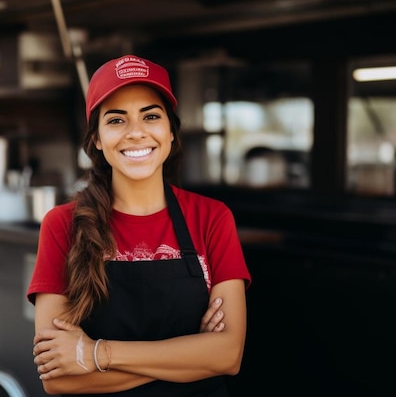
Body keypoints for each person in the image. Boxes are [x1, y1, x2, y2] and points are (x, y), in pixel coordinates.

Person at [27, 54, 252, 396]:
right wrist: (191, 358)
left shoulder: (211, 218)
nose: (136, 132)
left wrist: (96, 353)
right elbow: (58, 379)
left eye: (150, 116)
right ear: (98, 139)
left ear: (171, 132)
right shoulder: (62, 225)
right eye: (116, 120)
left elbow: (228, 356)